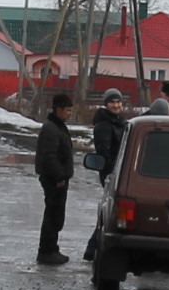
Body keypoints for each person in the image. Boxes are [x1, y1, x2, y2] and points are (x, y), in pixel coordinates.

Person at [82, 89, 128, 255]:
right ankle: (93, 247)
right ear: (106, 104)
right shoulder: (103, 125)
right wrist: (113, 171)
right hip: (111, 174)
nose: (116, 105)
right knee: (111, 210)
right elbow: (104, 151)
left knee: (112, 210)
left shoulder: (120, 122)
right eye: (112, 102)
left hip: (120, 172)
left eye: (118, 102)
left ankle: (92, 248)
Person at [34, 94, 75, 266]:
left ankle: (52, 247)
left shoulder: (58, 126)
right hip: (54, 180)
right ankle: (46, 251)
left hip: (58, 179)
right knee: (52, 215)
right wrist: (59, 176)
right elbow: (49, 157)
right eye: (67, 110)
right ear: (58, 109)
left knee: (56, 214)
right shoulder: (51, 128)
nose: (69, 114)